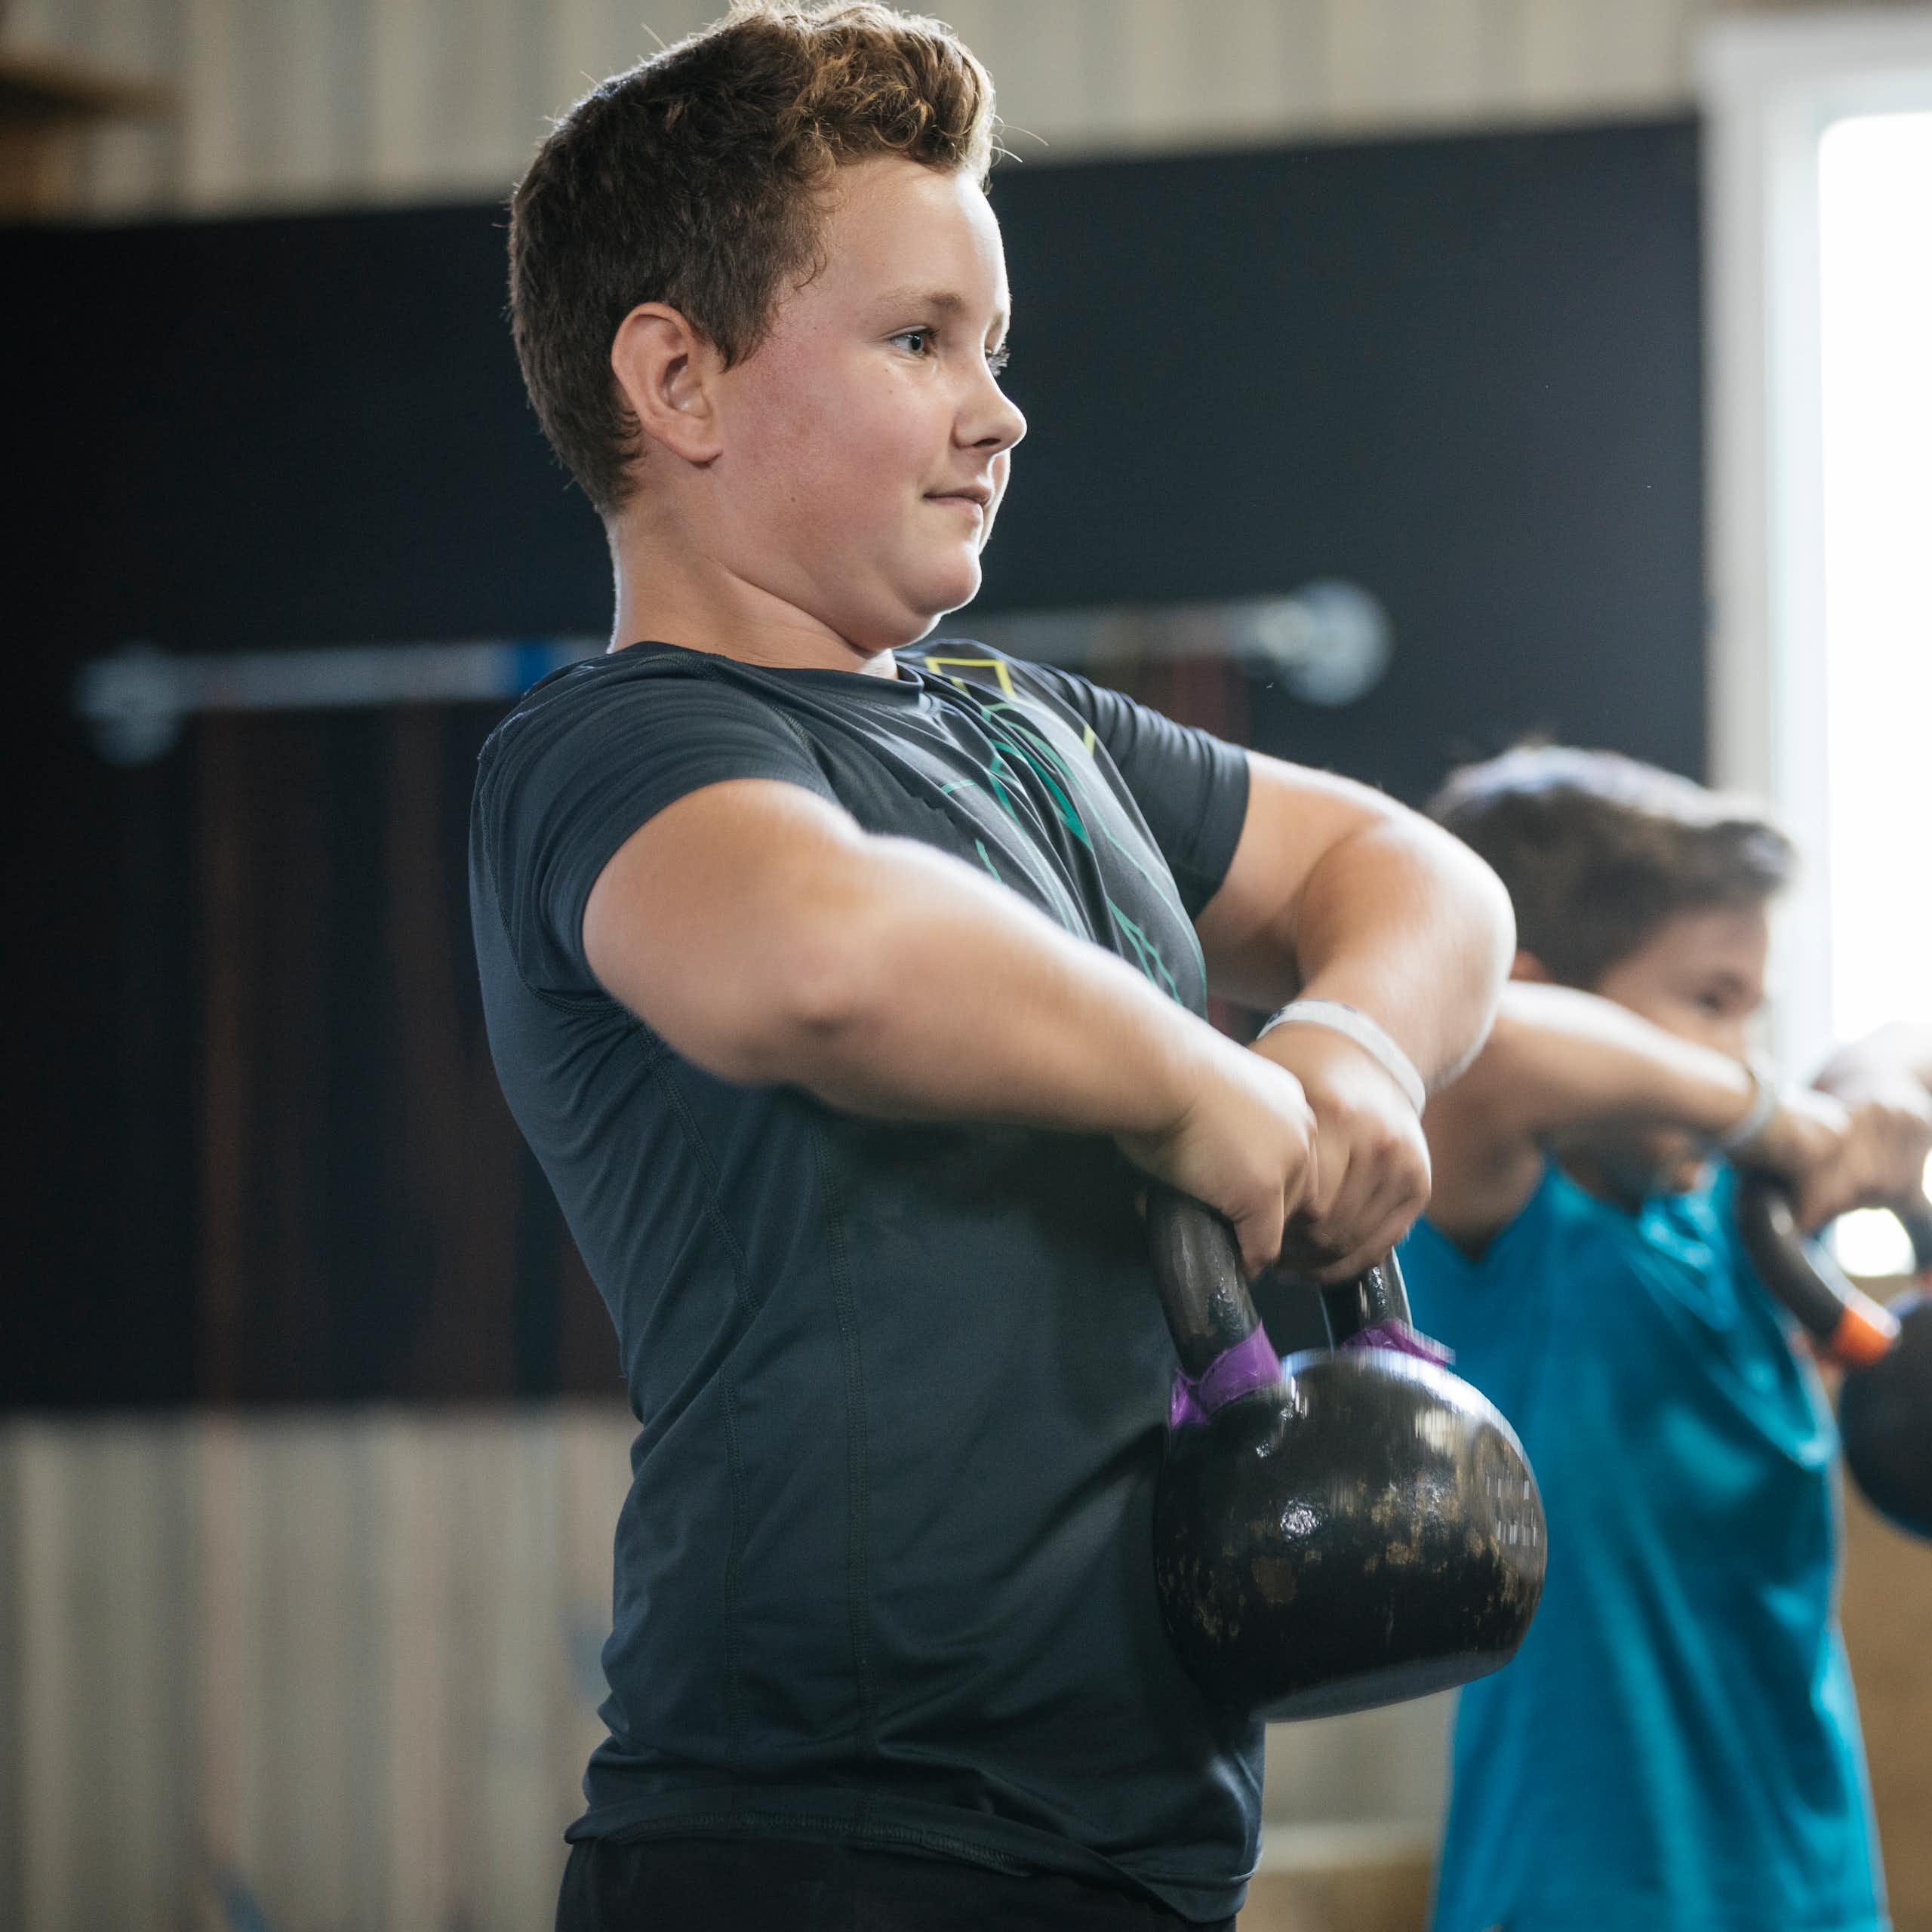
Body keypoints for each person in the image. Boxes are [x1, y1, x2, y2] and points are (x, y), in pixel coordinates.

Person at [472, 6, 1514, 1927]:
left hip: (1138, 1847)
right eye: (914, 339)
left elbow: (1411, 865)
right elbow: (819, 952)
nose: (997, 408)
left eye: (994, 347)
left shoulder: (1028, 729)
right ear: (679, 379)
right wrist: (1207, 1082)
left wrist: (1350, 1045)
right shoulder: (612, 752)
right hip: (829, 1843)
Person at [1401, 744, 1932, 1932]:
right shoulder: (1506, 1238)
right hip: (1577, 1903)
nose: (1742, 1054)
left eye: (1755, 1011)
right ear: (1542, 982)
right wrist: (1770, 1111)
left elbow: (1905, 1047)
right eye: (1708, 1002)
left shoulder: (1742, 1233)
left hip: (1817, 1897)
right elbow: (1487, 1046)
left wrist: (1870, 1098)